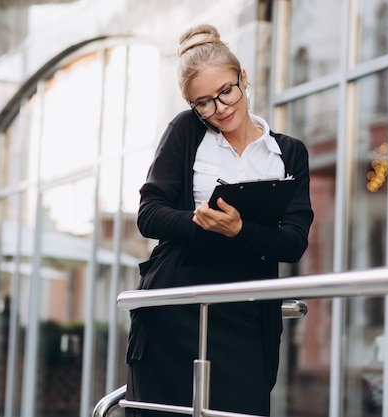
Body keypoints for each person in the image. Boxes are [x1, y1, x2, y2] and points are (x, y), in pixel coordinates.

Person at [125, 24, 314, 417]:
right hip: (174, 309)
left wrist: (241, 230)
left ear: (244, 78)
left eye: (226, 91)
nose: (220, 108)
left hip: (246, 315)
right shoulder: (187, 131)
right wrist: (204, 224)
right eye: (204, 103)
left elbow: (294, 241)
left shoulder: (287, 153)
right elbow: (149, 214)